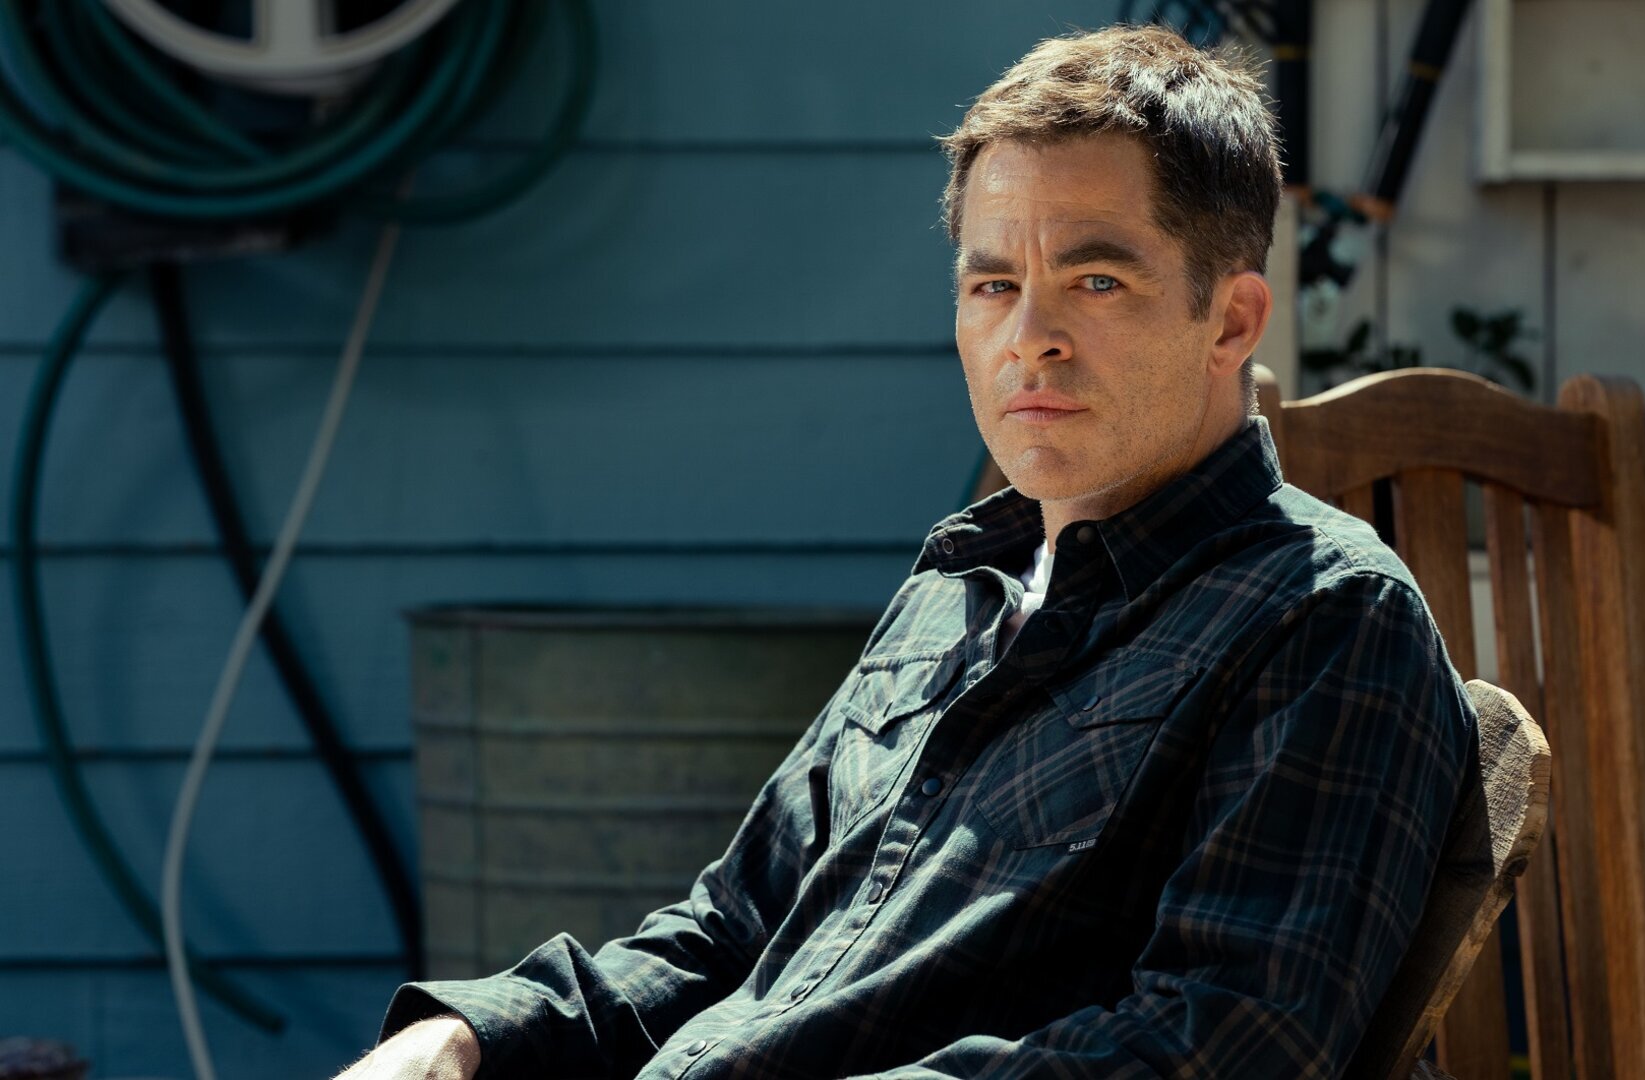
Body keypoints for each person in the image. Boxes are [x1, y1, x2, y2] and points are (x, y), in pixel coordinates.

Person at [338, 23, 1475, 1080]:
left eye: (1096, 280)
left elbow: (1226, 1040)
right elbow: (733, 930)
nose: (1028, 338)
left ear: (1229, 320)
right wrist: (465, 1037)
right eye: (993, 285)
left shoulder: (1322, 615)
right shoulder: (959, 588)